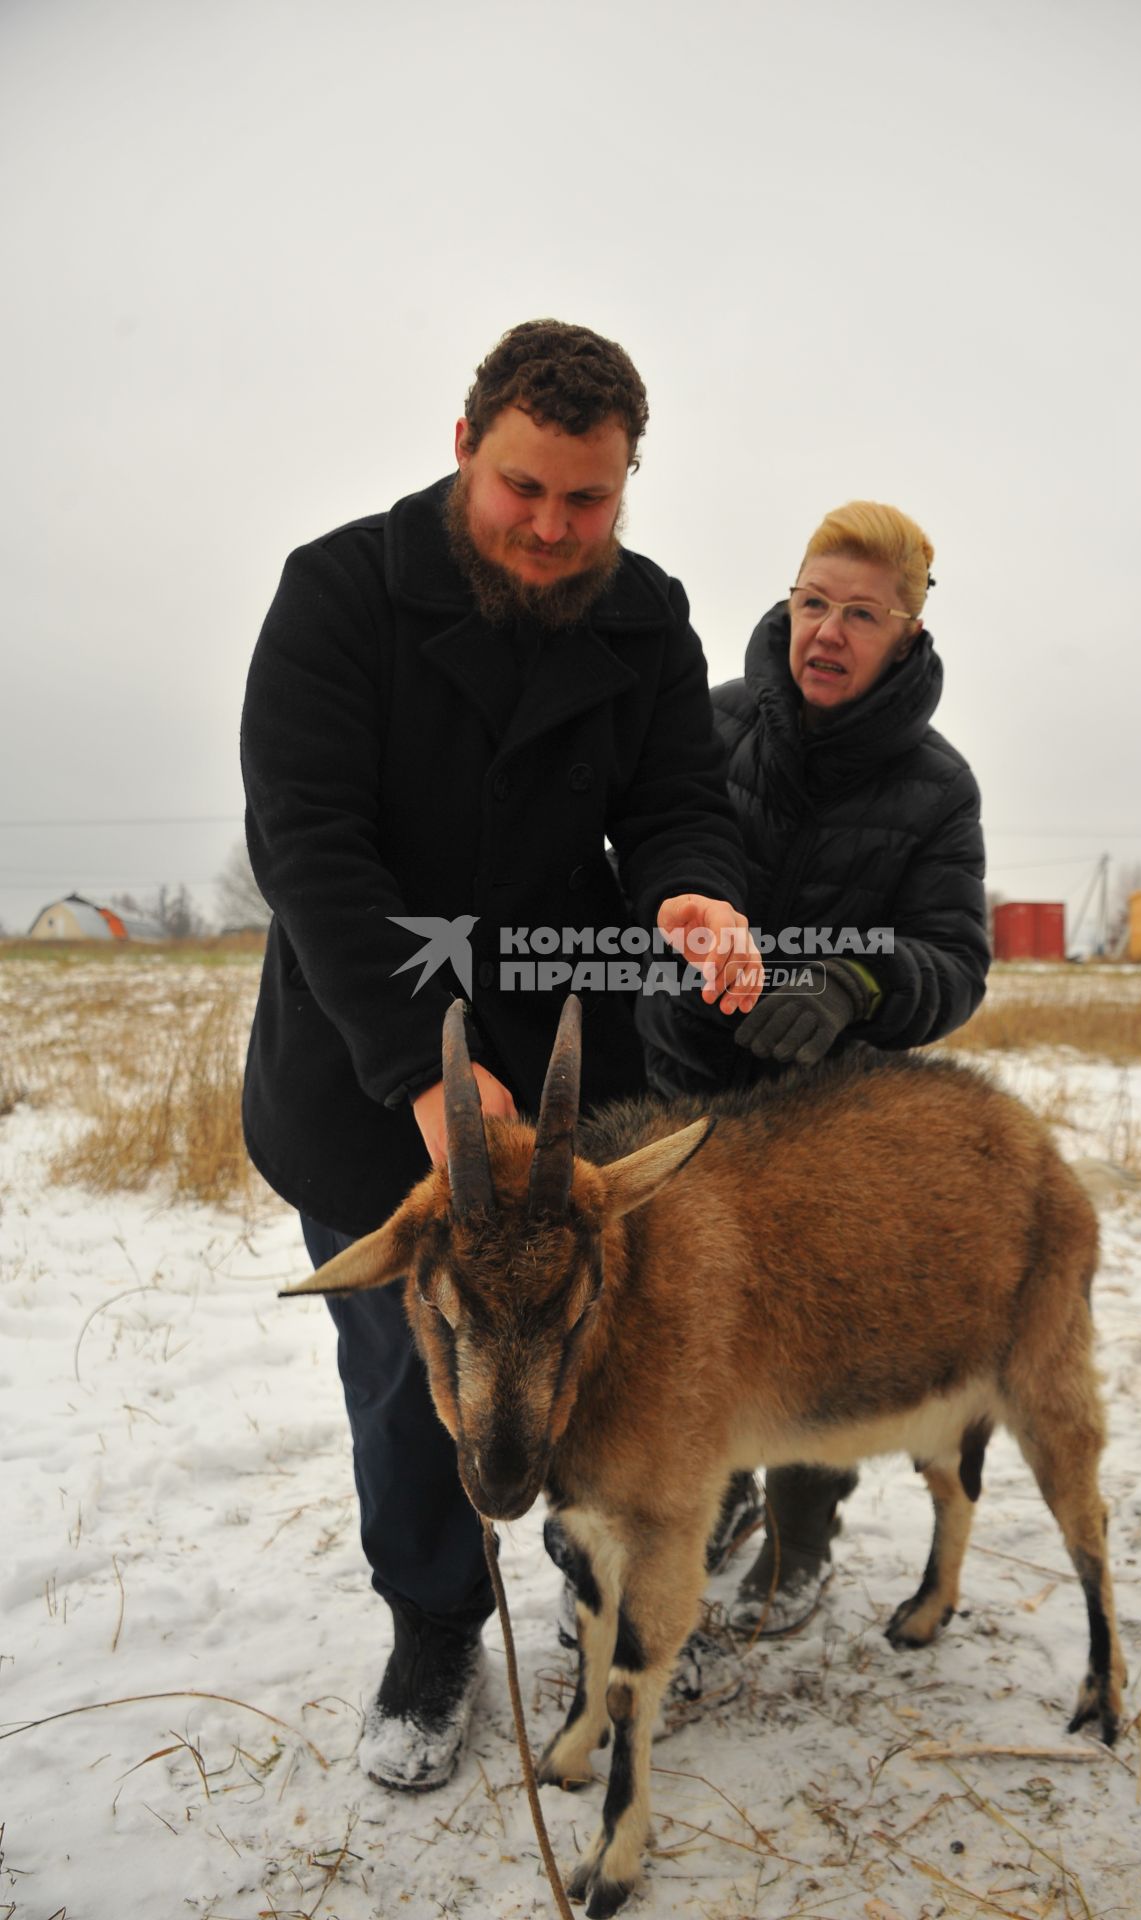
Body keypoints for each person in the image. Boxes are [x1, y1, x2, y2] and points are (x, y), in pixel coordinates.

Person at [240, 319, 761, 1793]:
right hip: (364, 1055)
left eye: (585, 502)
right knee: (421, 1381)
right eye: (525, 489)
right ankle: (431, 1622)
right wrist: (418, 1068)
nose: (549, 530)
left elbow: (678, 800)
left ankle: (608, 1588)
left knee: (592, 1348)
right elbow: (310, 849)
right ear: (466, 445)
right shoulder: (337, 592)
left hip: (557, 1066)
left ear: (625, 487)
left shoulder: (646, 616)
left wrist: (688, 888)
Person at [638, 498, 990, 1635]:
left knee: (810, 1338)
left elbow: (955, 962)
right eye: (809, 604)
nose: (824, 634)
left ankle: (801, 1540)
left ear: (907, 634)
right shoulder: (707, 726)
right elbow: (625, 875)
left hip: (823, 1123)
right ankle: (708, 1503)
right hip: (681, 1089)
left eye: (858, 615)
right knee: (686, 1334)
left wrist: (859, 983)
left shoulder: (938, 789)